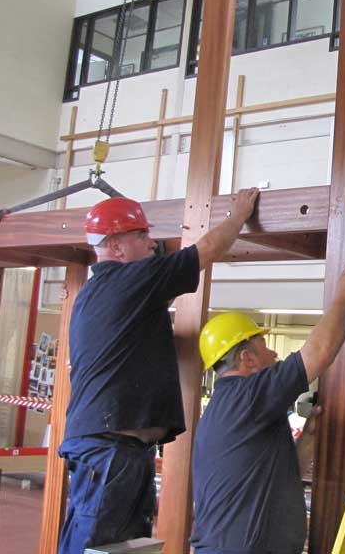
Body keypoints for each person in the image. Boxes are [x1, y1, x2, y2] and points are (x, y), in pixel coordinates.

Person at [58, 189, 259, 554]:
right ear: (116, 246)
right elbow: (205, 251)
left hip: (118, 447)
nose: (152, 243)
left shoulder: (104, 291)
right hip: (110, 448)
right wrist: (239, 215)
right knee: (97, 546)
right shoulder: (130, 280)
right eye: (142, 235)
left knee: (121, 547)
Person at [191, 261, 345, 554]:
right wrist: (343, 298)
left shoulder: (236, 406)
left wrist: (309, 437)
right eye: (264, 345)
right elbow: (319, 353)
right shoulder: (246, 395)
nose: (274, 352)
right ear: (247, 358)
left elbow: (282, 475)